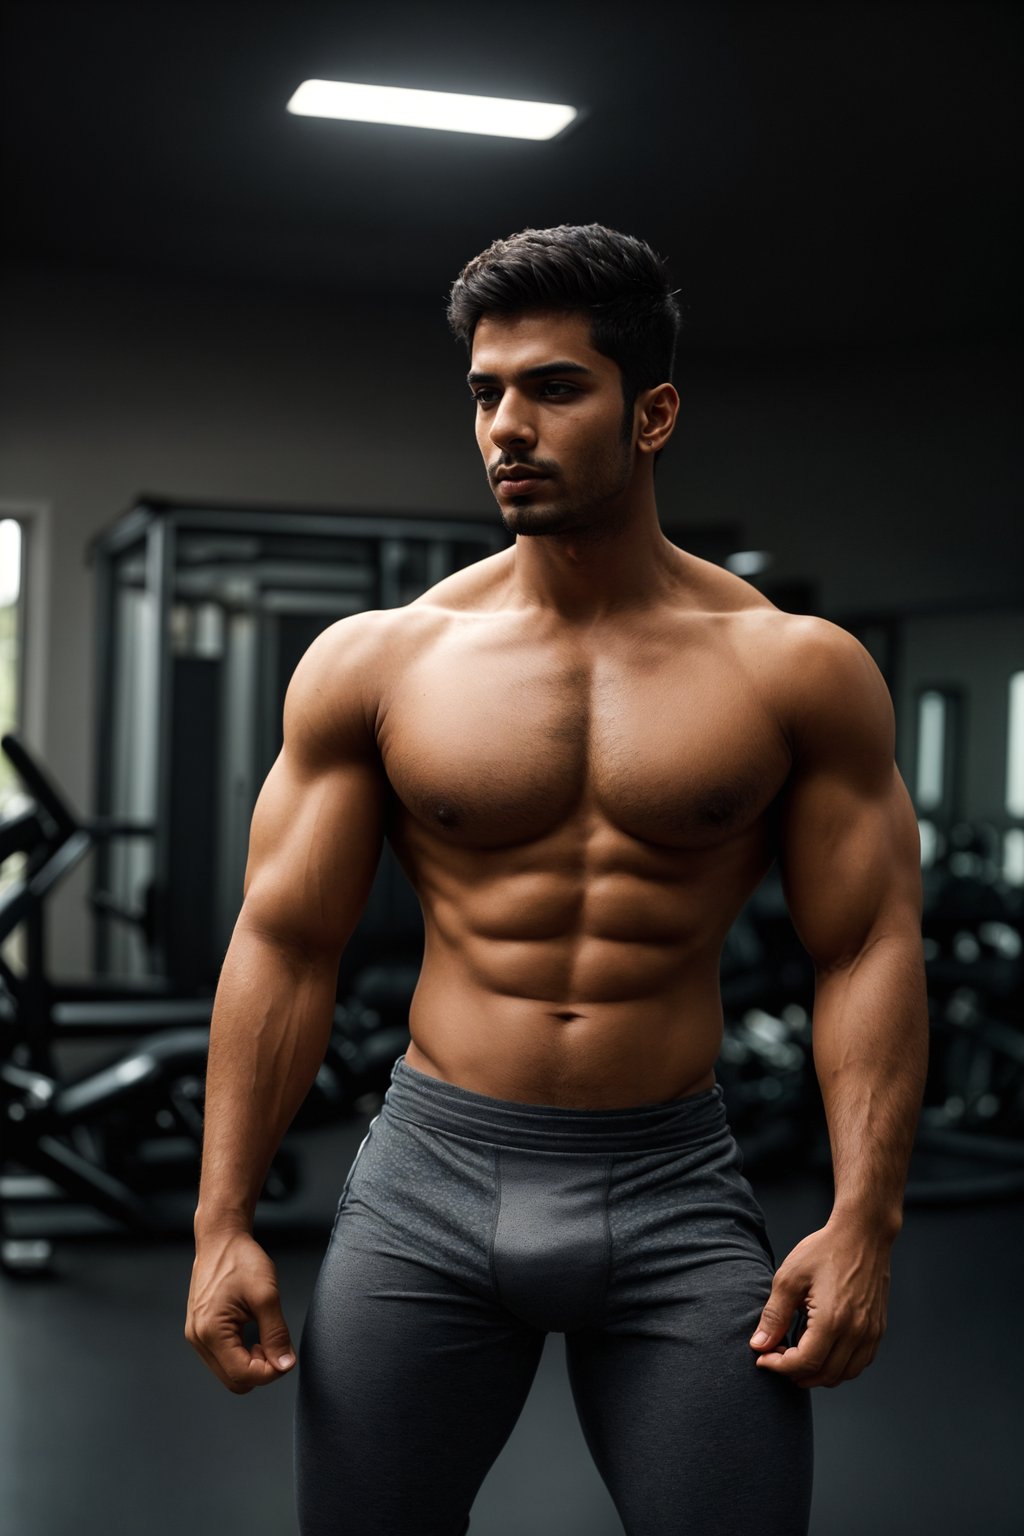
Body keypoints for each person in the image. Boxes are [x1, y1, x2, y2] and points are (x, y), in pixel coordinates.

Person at [186, 224, 929, 1536]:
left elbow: (867, 946)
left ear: (653, 413)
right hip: (428, 1177)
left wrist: (866, 1220)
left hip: (676, 1187)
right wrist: (221, 1219)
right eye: (485, 393)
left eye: (553, 389)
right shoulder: (382, 663)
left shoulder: (794, 670)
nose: (506, 428)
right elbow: (286, 942)